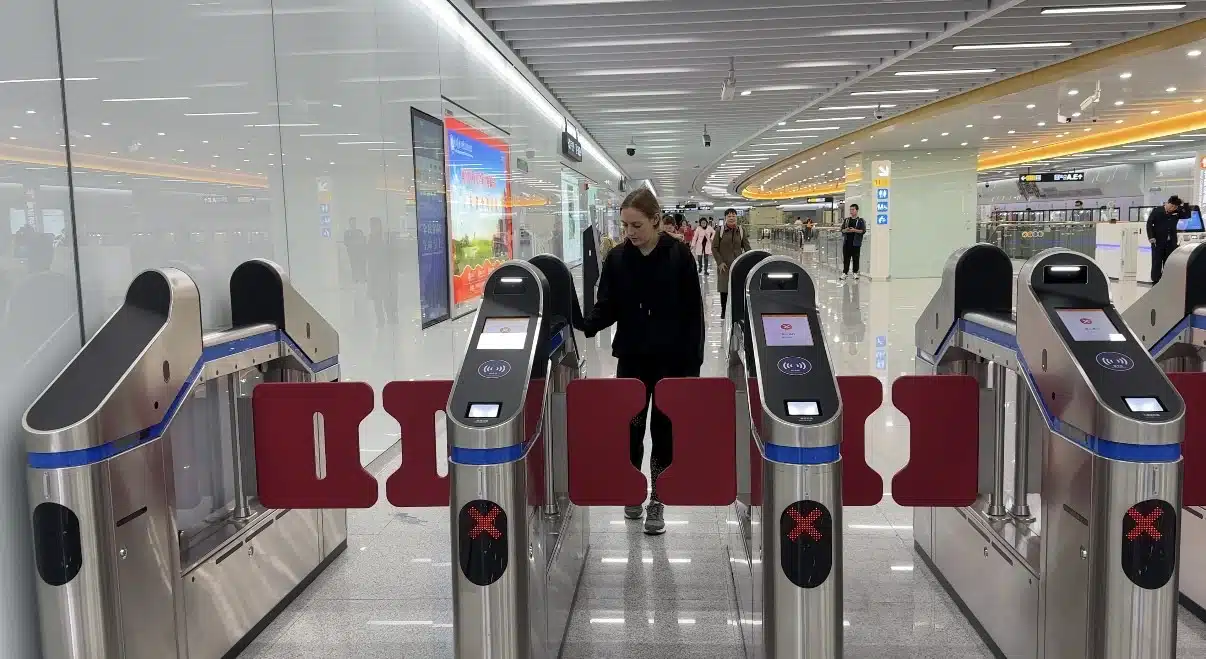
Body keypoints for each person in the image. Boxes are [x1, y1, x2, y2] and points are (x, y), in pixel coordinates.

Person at [576, 188, 703, 535]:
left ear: (656, 220)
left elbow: (693, 314)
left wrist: (691, 367)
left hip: (670, 362)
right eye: (625, 225)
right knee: (630, 429)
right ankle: (633, 489)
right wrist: (586, 323)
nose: (629, 232)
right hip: (631, 360)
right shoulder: (617, 258)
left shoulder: (679, 255)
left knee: (663, 432)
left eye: (636, 225)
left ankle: (658, 498)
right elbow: (608, 306)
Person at [712, 208, 751, 319]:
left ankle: (736, 310)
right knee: (724, 289)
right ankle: (724, 311)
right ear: (725, 218)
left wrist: (750, 260)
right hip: (724, 266)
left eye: (733, 216)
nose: (731, 218)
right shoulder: (720, 231)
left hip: (738, 265)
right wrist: (720, 262)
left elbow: (747, 247)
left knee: (737, 287)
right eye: (729, 216)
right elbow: (714, 248)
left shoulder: (741, 230)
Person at [1147, 195, 1188, 284]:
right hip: (1158, 242)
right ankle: (1156, 281)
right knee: (1157, 262)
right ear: (1167, 203)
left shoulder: (1177, 212)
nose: (1173, 208)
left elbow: (1187, 215)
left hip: (1171, 242)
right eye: (1172, 206)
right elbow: (1149, 224)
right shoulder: (1157, 211)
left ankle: (1167, 280)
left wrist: (1184, 204)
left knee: (1169, 262)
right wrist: (1151, 237)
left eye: (1175, 207)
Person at [840, 203, 867, 281]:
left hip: (856, 243)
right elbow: (842, 230)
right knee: (846, 258)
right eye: (850, 209)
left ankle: (855, 272)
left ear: (857, 210)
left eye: (853, 209)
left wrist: (854, 230)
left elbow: (863, 231)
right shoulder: (846, 220)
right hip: (847, 243)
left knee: (856, 258)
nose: (851, 211)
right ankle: (845, 273)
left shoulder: (860, 221)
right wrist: (846, 230)